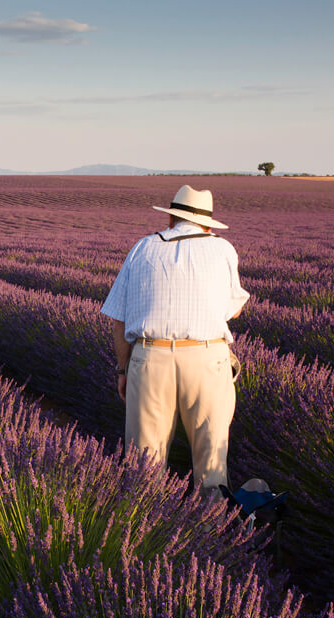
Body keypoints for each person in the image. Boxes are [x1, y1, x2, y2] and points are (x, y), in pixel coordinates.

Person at [101, 185, 249, 497]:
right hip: (207, 359)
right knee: (211, 460)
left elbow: (118, 316)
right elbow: (232, 310)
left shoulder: (143, 247)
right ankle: (213, 533)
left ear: (171, 219)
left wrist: (123, 369)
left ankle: (143, 536)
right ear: (208, 225)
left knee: (145, 464)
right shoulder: (222, 249)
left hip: (150, 358)